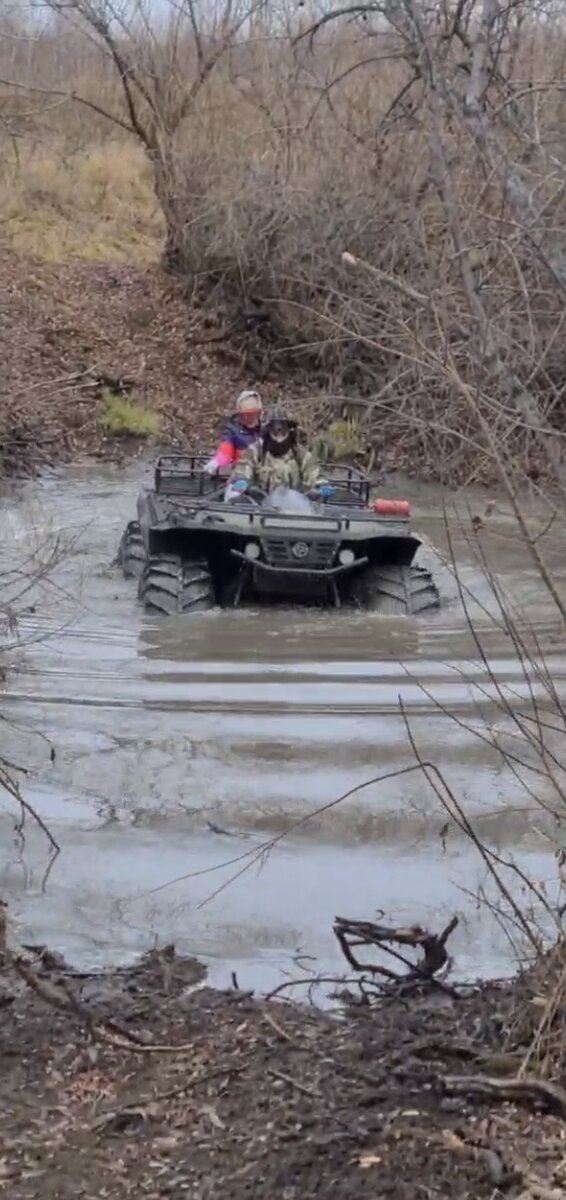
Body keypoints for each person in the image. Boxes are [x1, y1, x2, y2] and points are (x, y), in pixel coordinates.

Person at [229, 406, 335, 499]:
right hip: (259, 507)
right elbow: (244, 466)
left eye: (283, 427)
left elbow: (313, 471)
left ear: (290, 429)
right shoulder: (256, 451)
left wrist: (322, 485)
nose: (279, 432)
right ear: (268, 430)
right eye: (274, 427)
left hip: (294, 509)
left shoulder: (299, 453)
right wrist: (242, 480)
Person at [204, 390, 263, 474]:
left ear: (258, 413)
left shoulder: (266, 430)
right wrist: (217, 461)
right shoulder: (232, 430)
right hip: (241, 473)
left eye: (250, 414)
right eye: (243, 414)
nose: (246, 417)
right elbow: (226, 448)